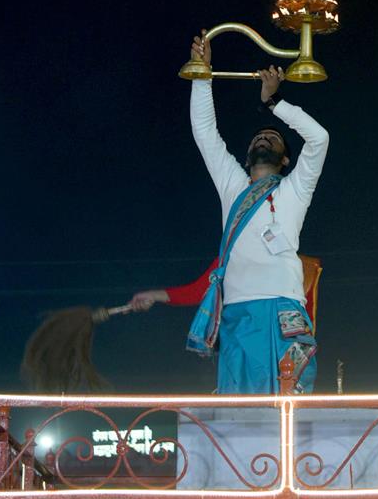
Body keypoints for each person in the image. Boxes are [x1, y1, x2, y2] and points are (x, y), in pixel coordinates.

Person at [129, 30, 329, 394]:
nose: (262, 139)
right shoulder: (233, 188)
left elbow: (319, 138)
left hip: (281, 310)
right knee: (240, 414)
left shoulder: (294, 188)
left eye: (272, 138)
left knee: (290, 406)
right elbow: (205, 132)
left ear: (286, 159)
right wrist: (202, 75)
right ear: (247, 155)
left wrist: (274, 103)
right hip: (237, 314)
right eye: (257, 138)